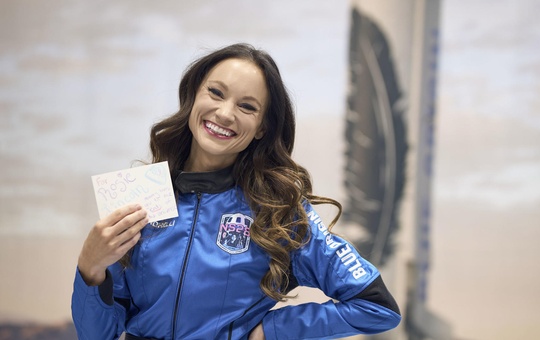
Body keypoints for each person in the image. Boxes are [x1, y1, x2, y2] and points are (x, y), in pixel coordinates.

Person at [72, 43, 401, 340]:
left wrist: (273, 331)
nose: (225, 113)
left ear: (262, 129)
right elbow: (97, 334)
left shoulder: (278, 211)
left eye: (247, 106)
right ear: (193, 97)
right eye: (215, 92)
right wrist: (90, 269)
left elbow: (377, 306)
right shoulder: (141, 194)